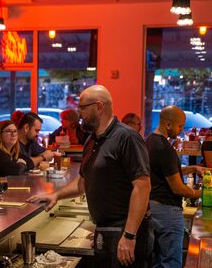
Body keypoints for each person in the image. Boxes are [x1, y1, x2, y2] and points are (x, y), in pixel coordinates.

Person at [28, 85, 152, 267]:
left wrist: (129, 236)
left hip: (124, 231)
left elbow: (142, 187)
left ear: (99, 107)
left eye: (83, 108)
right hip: (105, 229)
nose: (79, 113)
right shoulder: (92, 139)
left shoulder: (127, 137)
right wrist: (56, 195)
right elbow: (82, 182)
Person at [145, 105, 205, 267]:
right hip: (167, 212)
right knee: (170, 262)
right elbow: (178, 188)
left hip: (152, 207)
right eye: (179, 126)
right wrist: (203, 194)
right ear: (168, 124)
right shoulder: (165, 149)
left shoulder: (150, 141)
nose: (180, 130)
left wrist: (192, 168)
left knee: (157, 261)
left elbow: (165, 172)